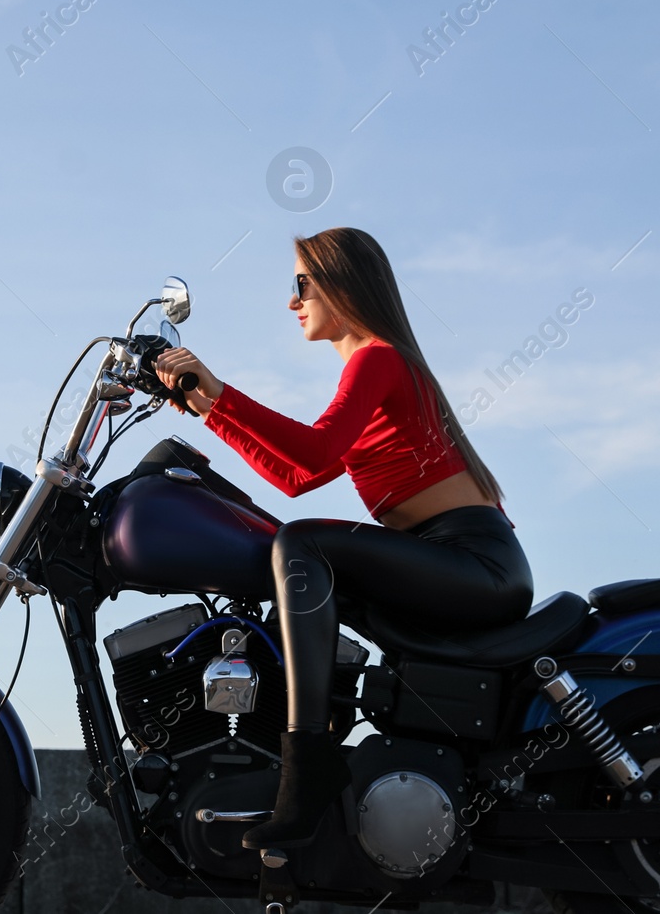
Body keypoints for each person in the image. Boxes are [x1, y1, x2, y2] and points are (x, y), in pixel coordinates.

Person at [152, 227, 533, 855]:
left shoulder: (378, 358)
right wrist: (209, 410)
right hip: (457, 558)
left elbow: (317, 448)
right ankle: (311, 737)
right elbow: (299, 476)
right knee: (300, 550)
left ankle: (309, 760)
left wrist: (219, 393)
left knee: (303, 546)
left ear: (341, 284)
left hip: (472, 560)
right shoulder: (377, 365)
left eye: (301, 284)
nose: (292, 302)